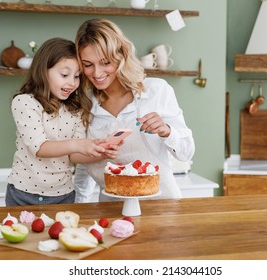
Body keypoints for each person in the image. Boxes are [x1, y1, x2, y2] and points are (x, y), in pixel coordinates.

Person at [71, 19, 195, 201]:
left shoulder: (156, 90)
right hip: (110, 211)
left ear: (120, 56)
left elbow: (186, 152)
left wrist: (166, 131)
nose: (97, 73)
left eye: (105, 62)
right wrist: (79, 206)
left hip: (162, 206)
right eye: (88, 64)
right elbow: (84, 163)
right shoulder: (84, 104)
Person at [6, 37, 118, 206]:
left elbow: (75, 156)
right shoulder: (25, 102)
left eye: (77, 76)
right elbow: (39, 147)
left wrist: (99, 151)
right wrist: (79, 145)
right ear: (43, 71)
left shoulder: (77, 108)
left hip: (63, 195)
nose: (72, 83)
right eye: (65, 75)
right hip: (23, 194)